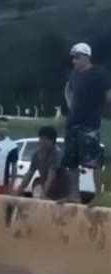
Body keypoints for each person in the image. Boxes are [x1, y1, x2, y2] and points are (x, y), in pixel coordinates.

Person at [62, 42, 111, 206]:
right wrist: (70, 105)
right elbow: (68, 89)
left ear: (86, 57)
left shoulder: (98, 73)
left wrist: (103, 108)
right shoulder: (74, 74)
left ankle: (98, 195)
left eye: (78, 57)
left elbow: (108, 93)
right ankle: (75, 194)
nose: (74, 61)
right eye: (73, 58)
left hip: (90, 122)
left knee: (94, 160)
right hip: (73, 121)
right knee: (71, 160)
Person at [13, 126, 71, 201]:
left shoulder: (56, 154)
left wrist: (43, 194)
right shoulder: (37, 154)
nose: (41, 142)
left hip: (62, 193)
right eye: (40, 139)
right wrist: (19, 190)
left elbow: (51, 176)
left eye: (45, 139)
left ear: (52, 140)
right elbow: (29, 174)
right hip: (49, 192)